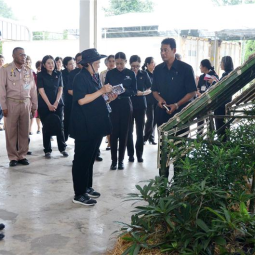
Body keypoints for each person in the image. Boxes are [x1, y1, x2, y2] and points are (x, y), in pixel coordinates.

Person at [70, 48, 117, 206]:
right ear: (88, 63)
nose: (98, 65)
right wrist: (102, 90)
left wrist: (108, 97)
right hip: (83, 125)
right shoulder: (80, 78)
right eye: (96, 63)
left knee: (90, 158)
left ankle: (87, 187)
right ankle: (79, 194)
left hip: (95, 124)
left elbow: (97, 98)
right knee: (81, 159)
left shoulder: (94, 76)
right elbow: (82, 100)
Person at [152, 38, 197, 178]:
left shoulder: (185, 69)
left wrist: (177, 104)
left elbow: (192, 92)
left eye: (165, 50)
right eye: (161, 50)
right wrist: (160, 100)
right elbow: (154, 91)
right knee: (163, 149)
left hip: (181, 116)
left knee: (180, 149)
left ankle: (179, 183)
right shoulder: (158, 69)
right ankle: (163, 180)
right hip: (163, 115)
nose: (162, 53)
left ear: (174, 50)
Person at [0, 47, 38, 167]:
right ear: (14, 56)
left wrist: (34, 105)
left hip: (26, 103)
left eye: (25, 55)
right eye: (21, 55)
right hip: (12, 102)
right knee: (11, 131)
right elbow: (1, 89)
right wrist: (4, 106)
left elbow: (33, 89)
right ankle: (13, 157)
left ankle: (22, 155)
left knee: (24, 130)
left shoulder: (28, 71)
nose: (24, 57)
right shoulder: (5, 69)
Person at [105, 52, 137, 170]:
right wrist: (111, 92)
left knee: (124, 133)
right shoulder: (110, 73)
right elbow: (106, 88)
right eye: (116, 63)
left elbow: (134, 91)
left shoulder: (130, 74)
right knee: (113, 134)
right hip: (113, 104)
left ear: (125, 62)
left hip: (125, 104)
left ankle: (121, 161)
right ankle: (113, 161)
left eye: (121, 63)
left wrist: (123, 91)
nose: (118, 66)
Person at [37, 55, 68, 158]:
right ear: (44, 65)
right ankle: (47, 150)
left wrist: (56, 103)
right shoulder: (40, 75)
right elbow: (41, 90)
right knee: (46, 127)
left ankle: (62, 148)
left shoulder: (58, 73)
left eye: (52, 63)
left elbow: (60, 89)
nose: (51, 65)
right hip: (44, 105)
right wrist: (49, 104)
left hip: (58, 104)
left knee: (60, 126)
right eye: (48, 63)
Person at [127, 55, 151, 163]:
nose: (135, 68)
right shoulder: (127, 74)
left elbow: (150, 87)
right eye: (133, 66)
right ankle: (130, 154)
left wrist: (144, 92)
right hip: (129, 105)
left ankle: (139, 154)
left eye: (137, 66)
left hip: (141, 105)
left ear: (140, 65)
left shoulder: (144, 74)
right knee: (129, 131)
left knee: (140, 131)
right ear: (130, 65)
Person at [209, 56, 234, 142]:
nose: (220, 64)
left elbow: (220, 88)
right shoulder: (231, 73)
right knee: (225, 125)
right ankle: (224, 142)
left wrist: (214, 82)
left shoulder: (225, 75)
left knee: (220, 126)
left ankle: (221, 144)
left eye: (221, 62)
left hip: (221, 104)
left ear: (225, 63)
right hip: (227, 102)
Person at [197, 59, 219, 134]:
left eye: (201, 66)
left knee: (209, 120)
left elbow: (216, 86)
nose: (200, 67)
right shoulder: (201, 77)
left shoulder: (213, 75)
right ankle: (199, 137)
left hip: (209, 102)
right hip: (200, 102)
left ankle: (211, 138)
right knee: (200, 120)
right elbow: (198, 88)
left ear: (205, 67)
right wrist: (198, 92)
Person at [100, 55, 116, 151]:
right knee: (108, 122)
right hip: (106, 100)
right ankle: (110, 143)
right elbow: (101, 87)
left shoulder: (117, 73)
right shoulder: (102, 74)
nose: (111, 63)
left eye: (113, 61)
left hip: (116, 99)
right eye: (109, 61)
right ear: (106, 63)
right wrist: (107, 99)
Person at [142, 57, 157, 145]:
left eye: (154, 63)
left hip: (156, 99)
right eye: (152, 63)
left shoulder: (155, 74)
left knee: (154, 120)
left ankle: (151, 137)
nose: (153, 64)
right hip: (148, 99)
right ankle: (145, 137)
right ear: (147, 64)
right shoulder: (144, 74)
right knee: (150, 119)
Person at [62, 56, 75, 141]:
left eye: (73, 63)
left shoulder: (77, 73)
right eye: (70, 64)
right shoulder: (62, 74)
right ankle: (65, 138)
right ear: (66, 65)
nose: (72, 65)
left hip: (76, 99)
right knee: (67, 119)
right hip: (66, 99)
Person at [0, 54, 5, 131]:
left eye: (2, 60)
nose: (1, 62)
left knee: (2, 109)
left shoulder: (6, 70)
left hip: (4, 93)